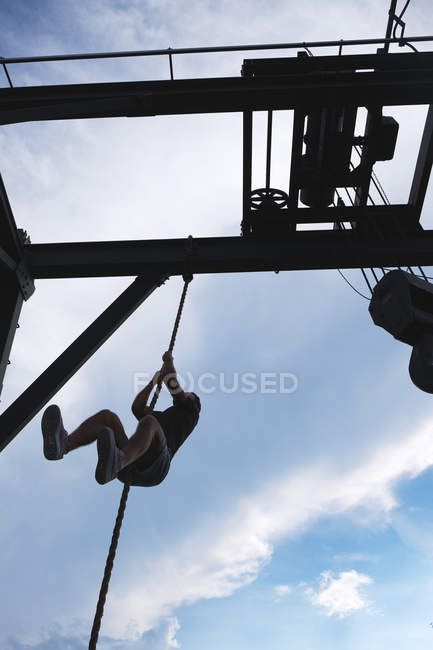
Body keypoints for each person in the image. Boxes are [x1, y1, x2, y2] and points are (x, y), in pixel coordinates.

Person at [41, 351, 201, 486]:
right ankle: (64, 445)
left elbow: (175, 389)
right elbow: (137, 408)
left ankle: (118, 461)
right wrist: (153, 383)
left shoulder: (191, 412)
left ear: (192, 400)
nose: (186, 393)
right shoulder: (161, 419)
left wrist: (168, 362)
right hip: (132, 463)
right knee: (107, 418)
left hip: (157, 466)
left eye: (189, 394)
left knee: (150, 422)